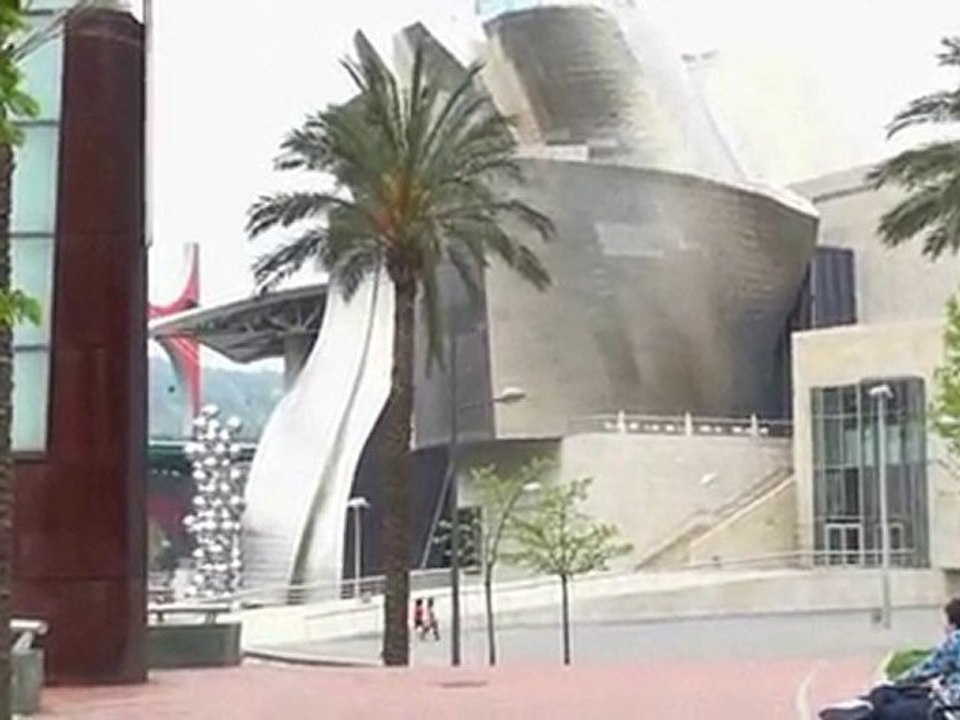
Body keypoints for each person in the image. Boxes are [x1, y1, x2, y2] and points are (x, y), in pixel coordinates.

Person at [821, 598, 960, 720]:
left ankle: (862, 710)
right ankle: (862, 708)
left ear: (953, 624)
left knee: (887, 710)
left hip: (947, 708)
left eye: (947, 621)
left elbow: (927, 669)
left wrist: (896, 681)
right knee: (886, 695)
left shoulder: (956, 640)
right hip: (941, 699)